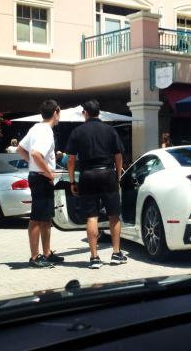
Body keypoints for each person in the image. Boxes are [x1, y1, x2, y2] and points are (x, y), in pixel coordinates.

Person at [66, 99, 126, 269]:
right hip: (107, 173)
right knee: (114, 214)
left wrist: (72, 181)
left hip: (87, 175)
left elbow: (70, 160)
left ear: (85, 113)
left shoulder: (77, 131)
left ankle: (94, 258)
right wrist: (118, 175)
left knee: (91, 216)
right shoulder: (110, 130)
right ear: (98, 112)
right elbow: (118, 155)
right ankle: (116, 253)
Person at [17, 100, 64, 267]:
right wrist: (47, 172)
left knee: (46, 217)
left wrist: (34, 165)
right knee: (37, 217)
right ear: (56, 112)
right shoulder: (46, 131)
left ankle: (46, 253)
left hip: (36, 175)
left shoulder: (36, 128)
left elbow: (20, 149)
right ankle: (35, 257)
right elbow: (36, 154)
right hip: (41, 178)